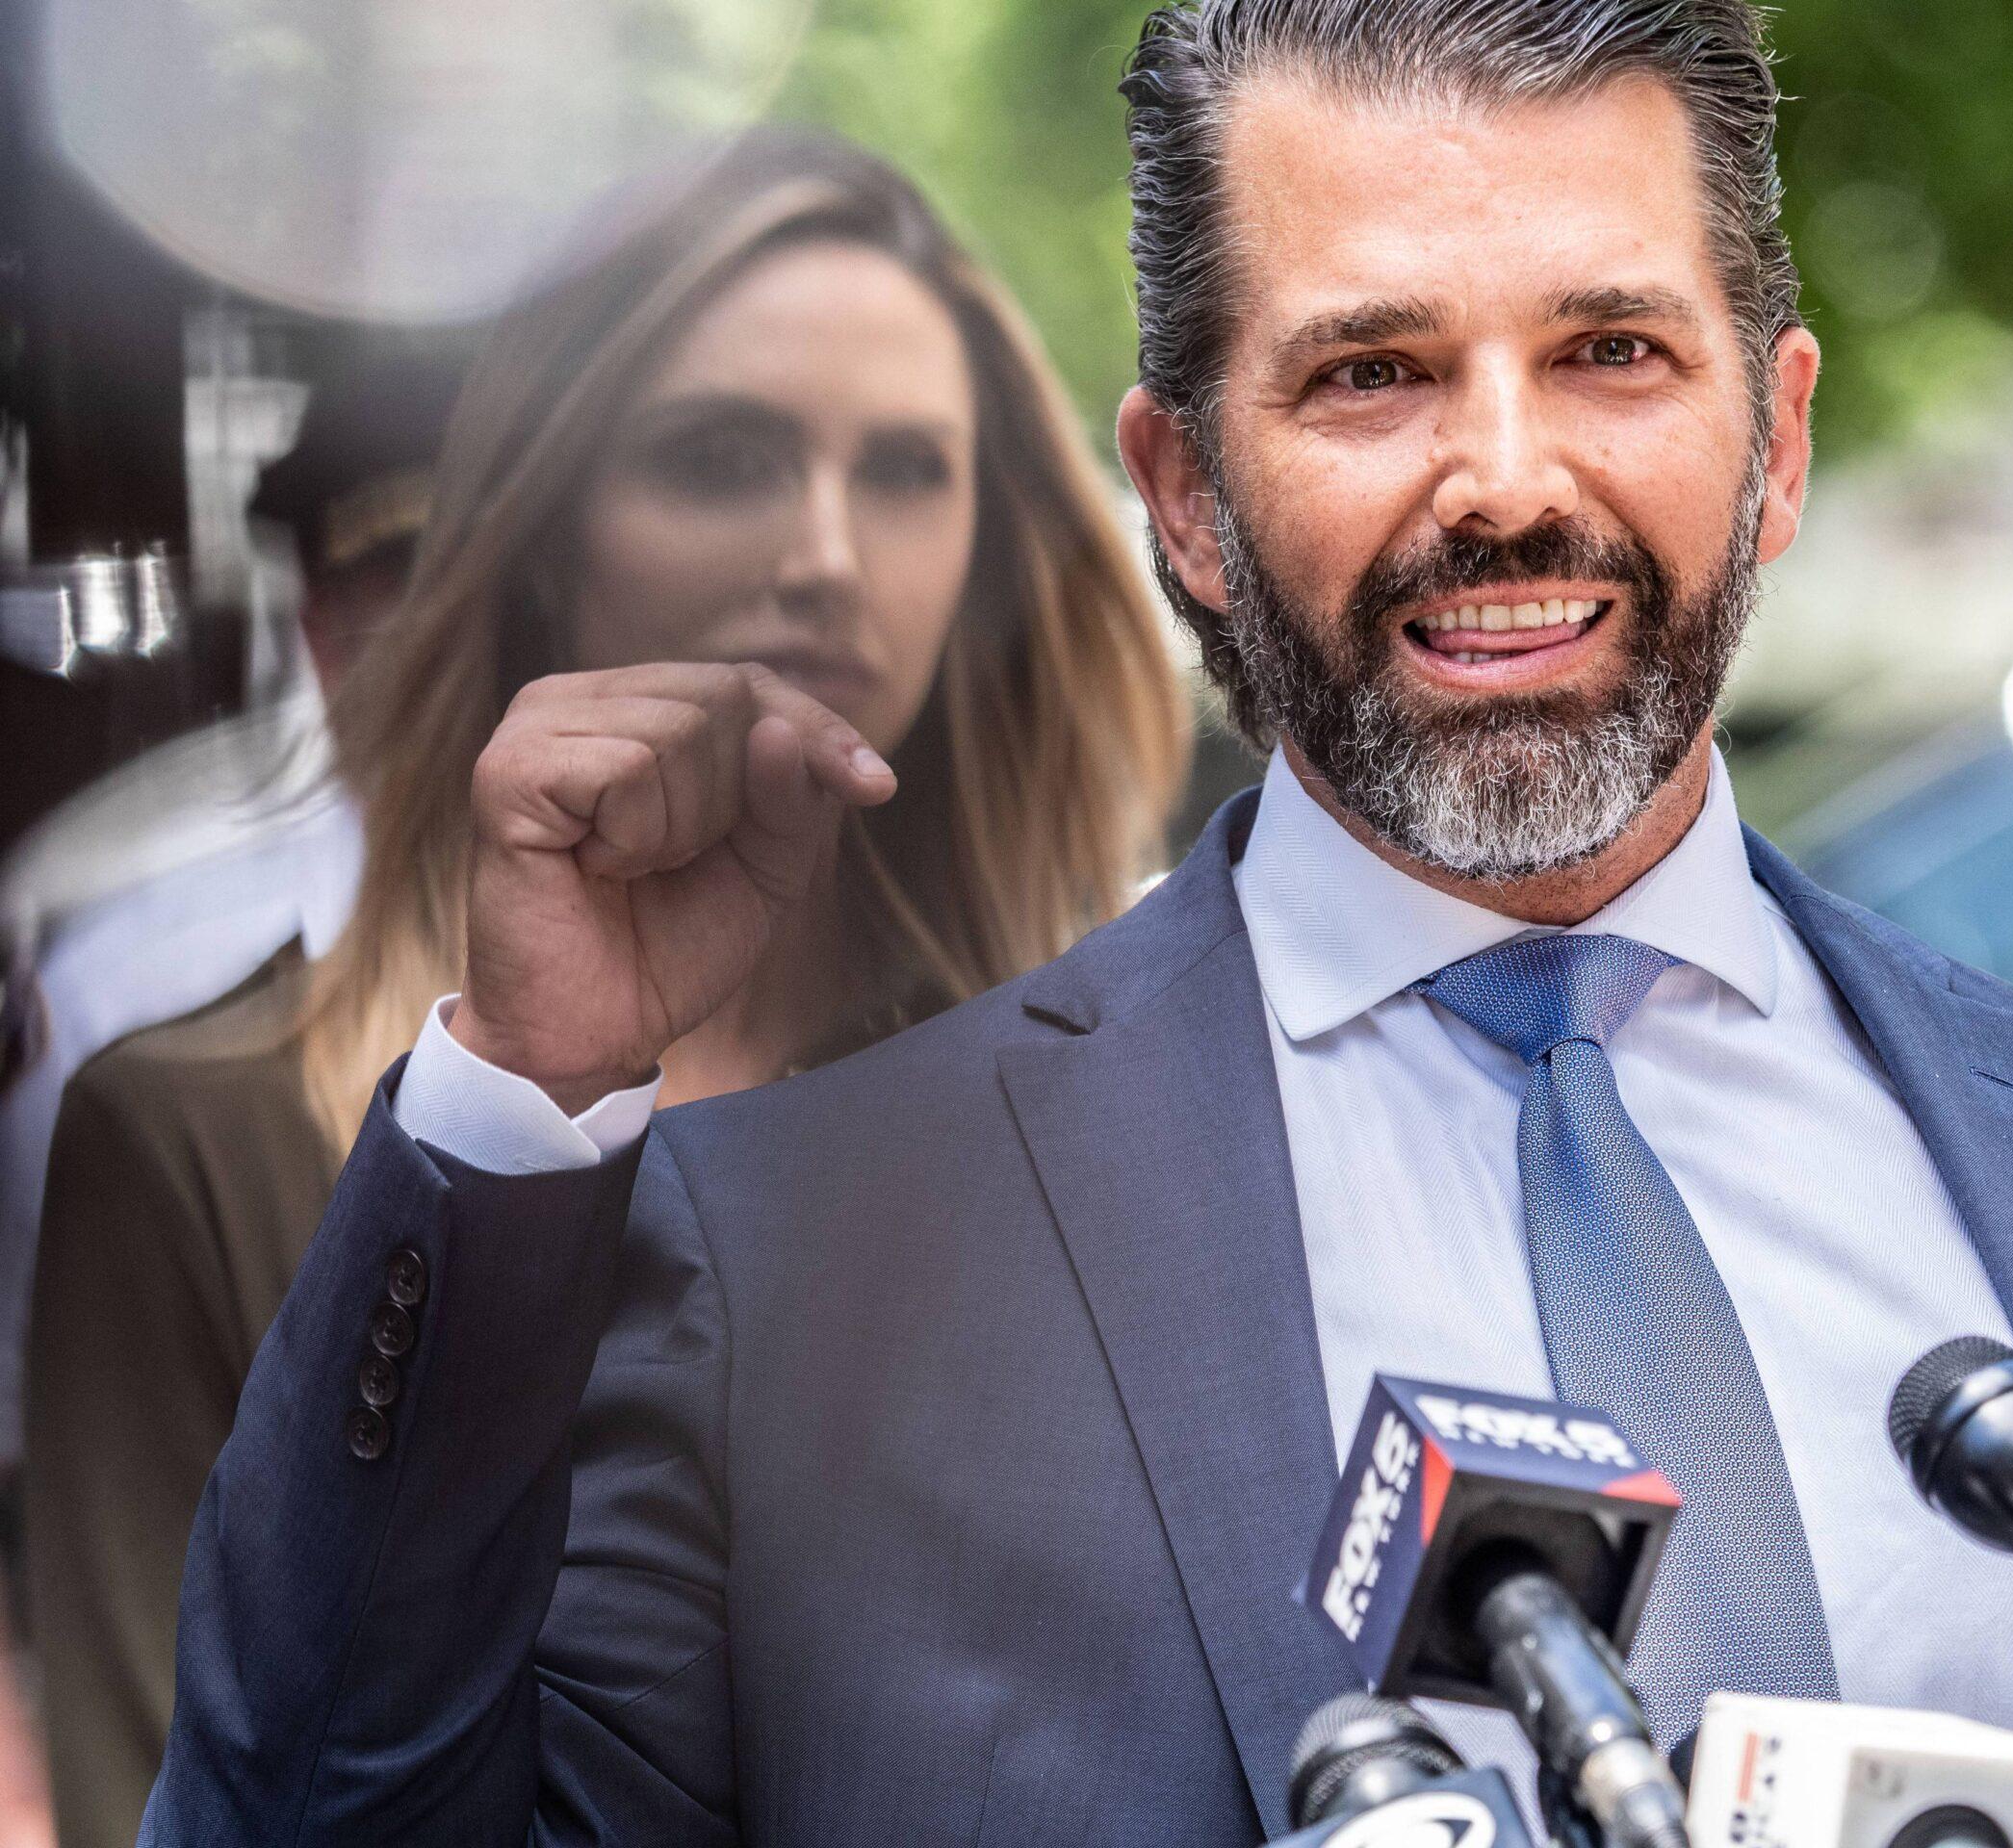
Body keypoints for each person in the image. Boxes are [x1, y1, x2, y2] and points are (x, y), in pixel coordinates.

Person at [143, 7, 2013, 1845]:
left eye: (1614, 350)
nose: (1506, 475)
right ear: (1183, 499)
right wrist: (522, 1104)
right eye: (1371, 373)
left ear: (1778, 436)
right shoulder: (806, 1259)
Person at [32, 129, 1185, 1848]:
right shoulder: (203, 1132)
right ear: (544, 527)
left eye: (904, 470)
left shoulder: (1107, 1111)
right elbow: (197, 1793)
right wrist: (510, 1112)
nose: (823, 553)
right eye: (723, 456)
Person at [0, 345, 462, 1497]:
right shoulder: (148, 983)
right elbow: (53, 1450)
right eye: (407, 576)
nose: (463, 630)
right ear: (318, 620)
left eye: (511, 573)